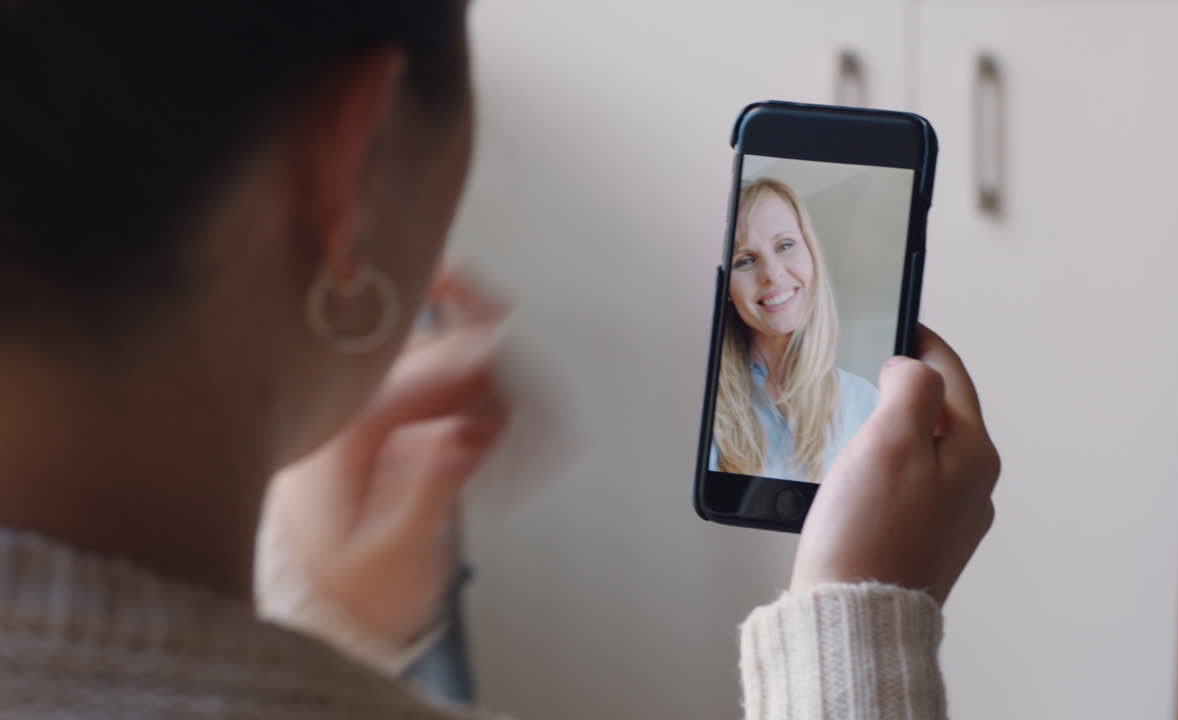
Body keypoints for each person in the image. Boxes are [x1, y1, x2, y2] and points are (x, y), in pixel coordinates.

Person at [0, 2, 1001, 719]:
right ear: (352, 161)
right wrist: (859, 634)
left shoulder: (850, 398)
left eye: (787, 249)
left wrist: (324, 631)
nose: (768, 275)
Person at [711, 178, 878, 483]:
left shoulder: (866, 403)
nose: (772, 274)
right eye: (745, 261)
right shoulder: (707, 408)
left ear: (812, 254)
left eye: (785, 245)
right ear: (725, 287)